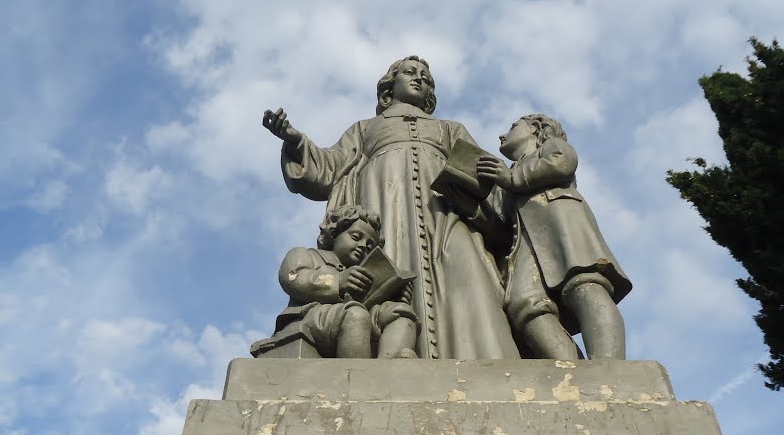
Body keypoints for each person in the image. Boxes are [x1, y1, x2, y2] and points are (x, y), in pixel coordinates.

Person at [262, 56, 520, 360]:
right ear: (389, 86)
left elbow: (485, 176)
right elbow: (328, 169)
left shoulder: (450, 129)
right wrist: (295, 142)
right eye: (410, 73)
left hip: (446, 215)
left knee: (467, 277)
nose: (419, 79)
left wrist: (499, 186)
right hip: (383, 210)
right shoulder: (364, 128)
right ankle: (389, 352)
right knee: (389, 281)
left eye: (426, 77)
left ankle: (481, 361)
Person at [476, 114, 632, 360]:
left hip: (561, 224)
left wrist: (512, 179)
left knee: (584, 285)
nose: (502, 135)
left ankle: (609, 367)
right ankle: (570, 370)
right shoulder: (505, 180)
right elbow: (500, 222)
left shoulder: (549, 147)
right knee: (523, 302)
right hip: (525, 246)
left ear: (536, 128)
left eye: (513, 127)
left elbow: (562, 162)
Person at [250, 205, 418, 359]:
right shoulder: (306, 254)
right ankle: (357, 375)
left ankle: (392, 362)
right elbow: (293, 278)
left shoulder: (362, 274)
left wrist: (397, 296)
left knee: (399, 311)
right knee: (355, 314)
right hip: (311, 315)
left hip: (355, 317)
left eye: (369, 246)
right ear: (334, 234)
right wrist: (337, 281)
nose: (362, 246)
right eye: (355, 237)